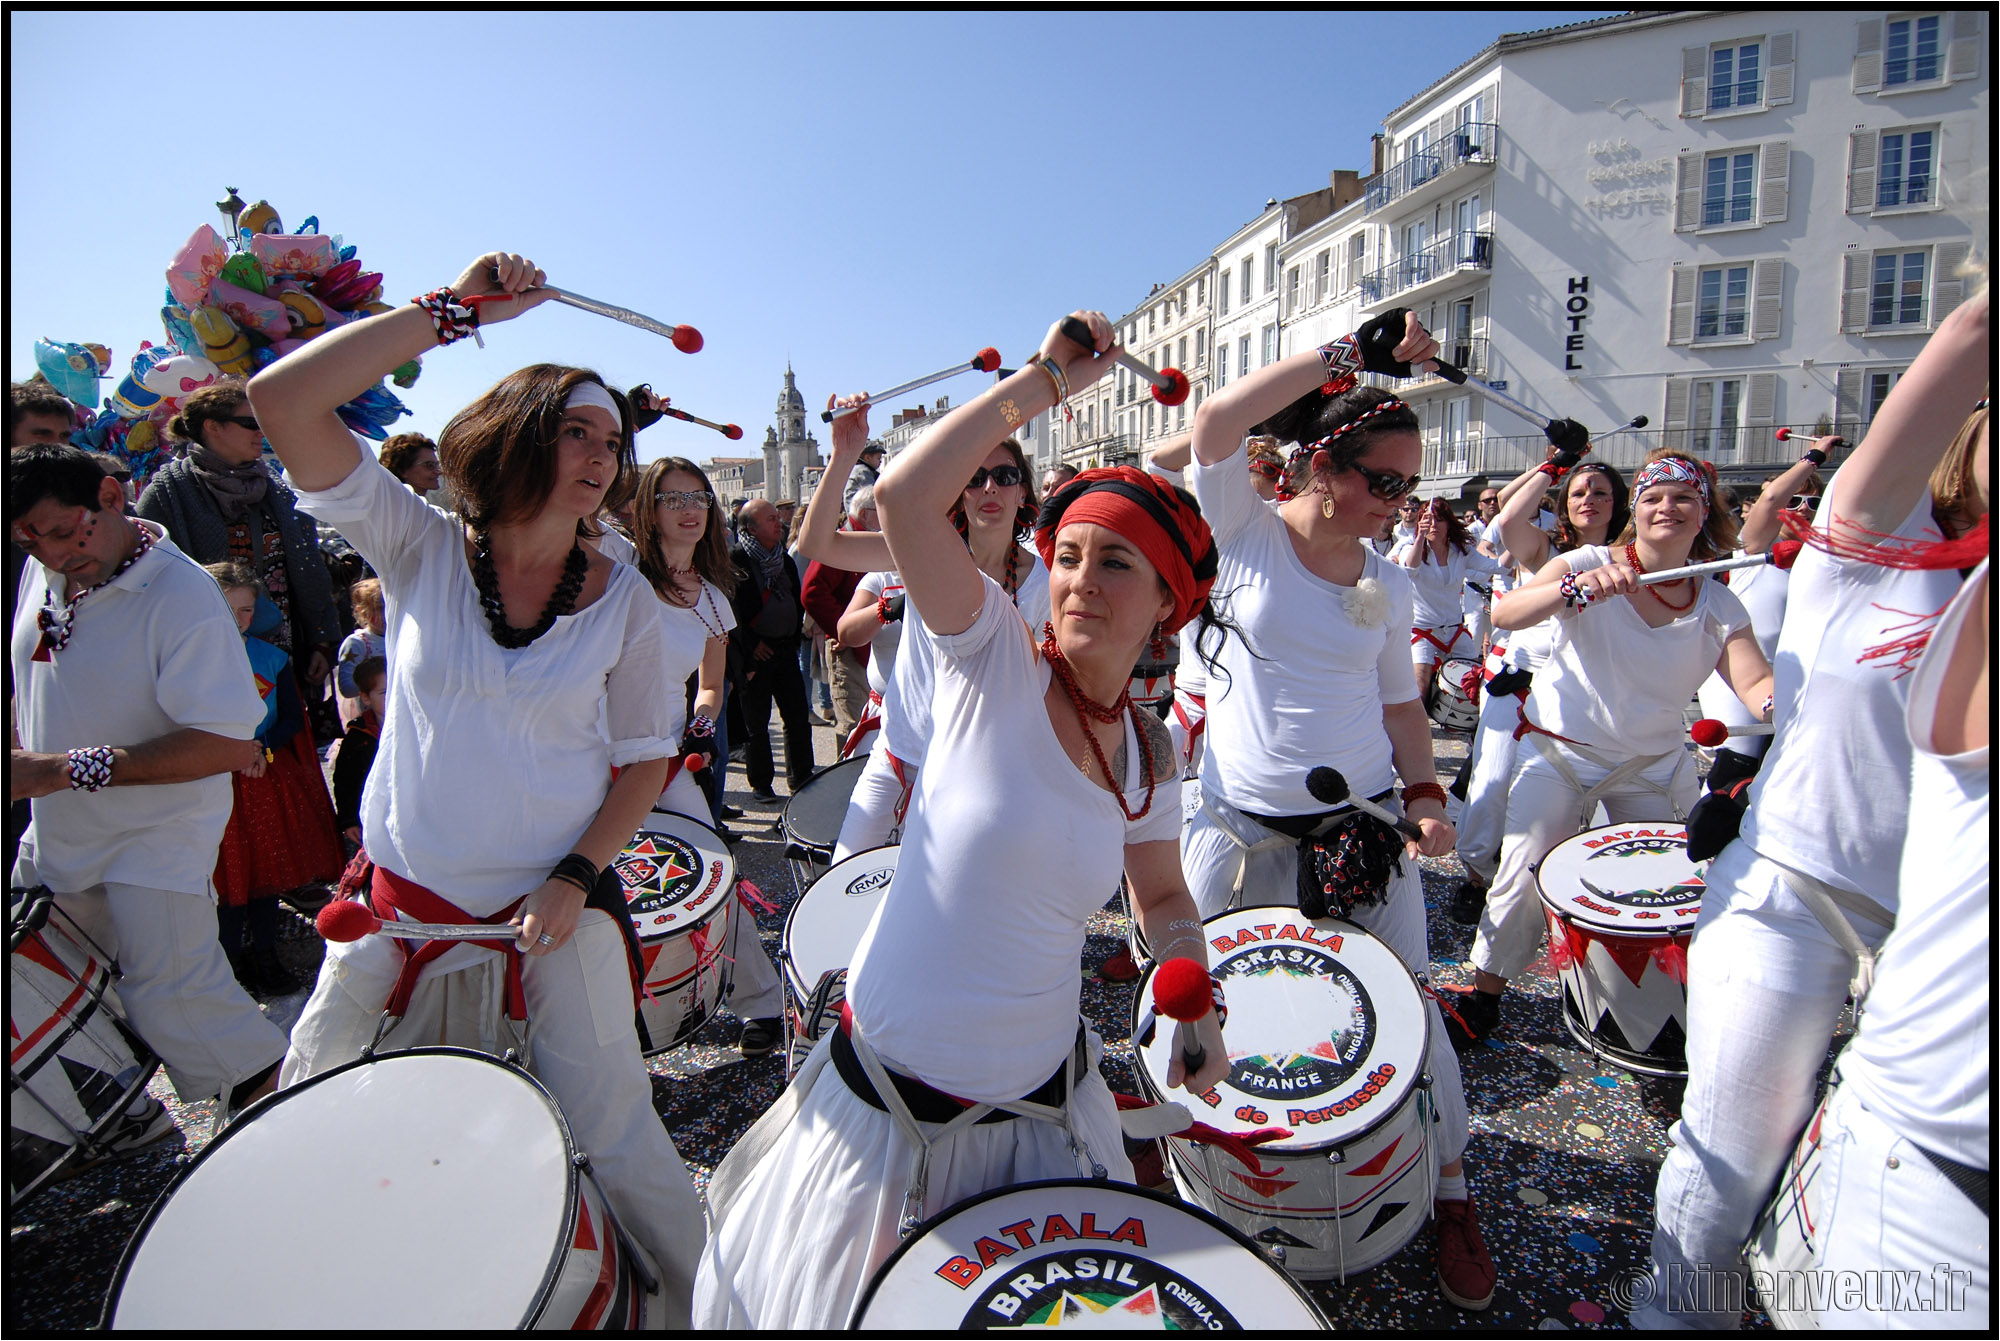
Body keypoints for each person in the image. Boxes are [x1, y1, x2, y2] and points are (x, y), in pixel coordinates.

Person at [695, 310, 1229, 1329]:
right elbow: (901, 500)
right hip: (890, 1104)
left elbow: (1159, 893)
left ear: (1167, 602)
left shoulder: (1149, 752)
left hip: (1036, 1102)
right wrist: (1042, 383)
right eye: (1066, 555)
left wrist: (1186, 983)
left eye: (1114, 564)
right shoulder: (988, 659)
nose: (1077, 580)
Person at [249, 250, 705, 1323]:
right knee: (309, 1102)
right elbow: (282, 400)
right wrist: (452, 312)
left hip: (552, 904)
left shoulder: (629, 600)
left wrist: (574, 874)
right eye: (576, 432)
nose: (600, 456)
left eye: (612, 441)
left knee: (615, 1127)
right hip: (395, 903)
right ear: (518, 436)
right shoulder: (415, 546)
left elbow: (646, 755)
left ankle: (707, 1309)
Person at [1634, 291, 1989, 1330]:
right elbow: (1966, 340)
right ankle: (1671, 1315)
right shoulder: (1863, 540)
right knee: (1732, 1144)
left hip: (1924, 935)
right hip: (1790, 889)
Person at [1176, 307, 1493, 1311]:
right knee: (1197, 1010)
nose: (1399, 505)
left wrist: (1426, 792)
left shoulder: (1390, 584)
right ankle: (1195, 1178)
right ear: (1322, 465)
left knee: (1411, 1011)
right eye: (1383, 481)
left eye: (1411, 486)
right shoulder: (1243, 534)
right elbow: (1218, 420)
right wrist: (1350, 347)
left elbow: (1400, 704)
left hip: (1364, 832)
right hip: (1236, 833)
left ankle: (1447, 1189)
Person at [10, 442, 289, 1136]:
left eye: (61, 530)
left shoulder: (181, 592)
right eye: (27, 538)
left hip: (157, 836)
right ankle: (109, 1121)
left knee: (176, 999)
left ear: (110, 497)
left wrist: (55, 769)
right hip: (61, 832)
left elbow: (227, 741)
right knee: (33, 975)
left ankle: (293, 1131)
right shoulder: (47, 569)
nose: (50, 552)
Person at [1458, 449, 1775, 1047]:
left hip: (1653, 767)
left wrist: (1789, 708)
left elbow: (1756, 683)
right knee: (1522, 876)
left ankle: (1660, 1011)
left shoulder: (1717, 601)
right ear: (1637, 508)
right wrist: (1573, 591)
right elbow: (1507, 611)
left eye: (1683, 499)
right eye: (1654, 497)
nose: (1667, 508)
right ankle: (1484, 997)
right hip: (1560, 755)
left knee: (1672, 890)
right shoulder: (1587, 559)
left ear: (1705, 513)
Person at [1810, 539, 1987, 1329]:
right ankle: (1675, 1309)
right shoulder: (1861, 553)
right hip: (1804, 872)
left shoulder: (1719, 599)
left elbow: (1750, 681)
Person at [799, 396, 1046, 861]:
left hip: (975, 775)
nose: (989, 487)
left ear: (1022, 494)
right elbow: (816, 543)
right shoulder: (919, 554)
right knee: (847, 882)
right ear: (958, 493)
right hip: (894, 757)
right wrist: (845, 453)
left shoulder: (1043, 586)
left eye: (1005, 476)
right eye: (973, 478)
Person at [629, 454, 789, 1058]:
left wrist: (701, 722)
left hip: (668, 765)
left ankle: (762, 1002)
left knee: (712, 879)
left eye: (698, 496)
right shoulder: (618, 576)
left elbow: (713, 685)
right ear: (648, 508)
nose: (690, 509)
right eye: (673, 498)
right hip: (592, 764)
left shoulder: (714, 599)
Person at [1449, 454, 1629, 924]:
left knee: (1584, 800)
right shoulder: (1542, 551)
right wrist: (1557, 464)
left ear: (1619, 504)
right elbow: (1508, 517)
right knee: (1491, 789)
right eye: (1579, 493)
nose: (1589, 500)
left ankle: (1575, 891)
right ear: (1564, 505)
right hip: (1520, 686)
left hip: (1588, 694)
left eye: (1601, 493)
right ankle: (1475, 879)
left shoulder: (1631, 561)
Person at [137, 380, 342, 724]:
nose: (261, 432)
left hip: (281, 656)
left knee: (280, 752)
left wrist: (321, 639)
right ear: (213, 427)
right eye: (251, 423)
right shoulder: (167, 493)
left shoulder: (275, 486)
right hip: (207, 660)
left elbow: (308, 570)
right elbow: (147, 582)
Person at [203, 559, 343, 994]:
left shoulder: (272, 658)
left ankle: (265, 955)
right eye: (230, 609)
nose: (239, 620)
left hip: (260, 778)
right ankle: (226, 963)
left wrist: (260, 750)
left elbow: (288, 720)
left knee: (263, 871)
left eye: (247, 610)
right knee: (224, 876)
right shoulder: (186, 658)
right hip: (210, 779)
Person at [728, 498, 815, 801]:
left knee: (797, 718)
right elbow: (732, 611)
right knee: (757, 723)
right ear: (751, 528)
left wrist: (792, 637)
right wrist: (753, 645)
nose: (778, 522)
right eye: (770, 519)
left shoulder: (784, 559)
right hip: (756, 656)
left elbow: (795, 598)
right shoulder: (736, 561)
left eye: (777, 517)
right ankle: (761, 783)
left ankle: (802, 777)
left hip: (785, 649)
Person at [1392, 496, 1495, 702]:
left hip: (1455, 629)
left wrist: (1516, 552)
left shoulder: (1461, 551)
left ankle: (1463, 727)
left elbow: (1492, 566)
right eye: (1428, 519)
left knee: (1472, 683)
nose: (1433, 525)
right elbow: (1410, 568)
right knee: (1420, 689)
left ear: (1449, 523)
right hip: (1423, 631)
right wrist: (1420, 537)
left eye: (1439, 519)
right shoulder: (1408, 545)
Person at [801, 489, 877, 741]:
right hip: (850, 651)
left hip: (871, 647)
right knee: (854, 727)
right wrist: (844, 629)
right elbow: (812, 592)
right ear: (866, 514)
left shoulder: (870, 540)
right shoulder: (844, 541)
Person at [332, 655, 386, 852]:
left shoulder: (416, 726)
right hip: (372, 814)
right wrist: (349, 820)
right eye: (384, 692)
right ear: (366, 698)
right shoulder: (358, 736)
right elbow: (345, 781)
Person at [334, 577, 386, 730]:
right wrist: (373, 686)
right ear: (363, 612)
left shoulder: (403, 637)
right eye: (379, 609)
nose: (386, 615)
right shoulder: (358, 643)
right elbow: (347, 687)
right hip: (373, 720)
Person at [376, 432, 441, 495]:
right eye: (430, 465)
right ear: (402, 471)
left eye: (437, 464)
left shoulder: (417, 505)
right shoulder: (389, 504)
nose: (439, 471)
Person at [843, 438, 885, 510]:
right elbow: (871, 496)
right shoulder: (863, 472)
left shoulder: (858, 469)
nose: (880, 461)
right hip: (859, 512)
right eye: (878, 458)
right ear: (867, 458)